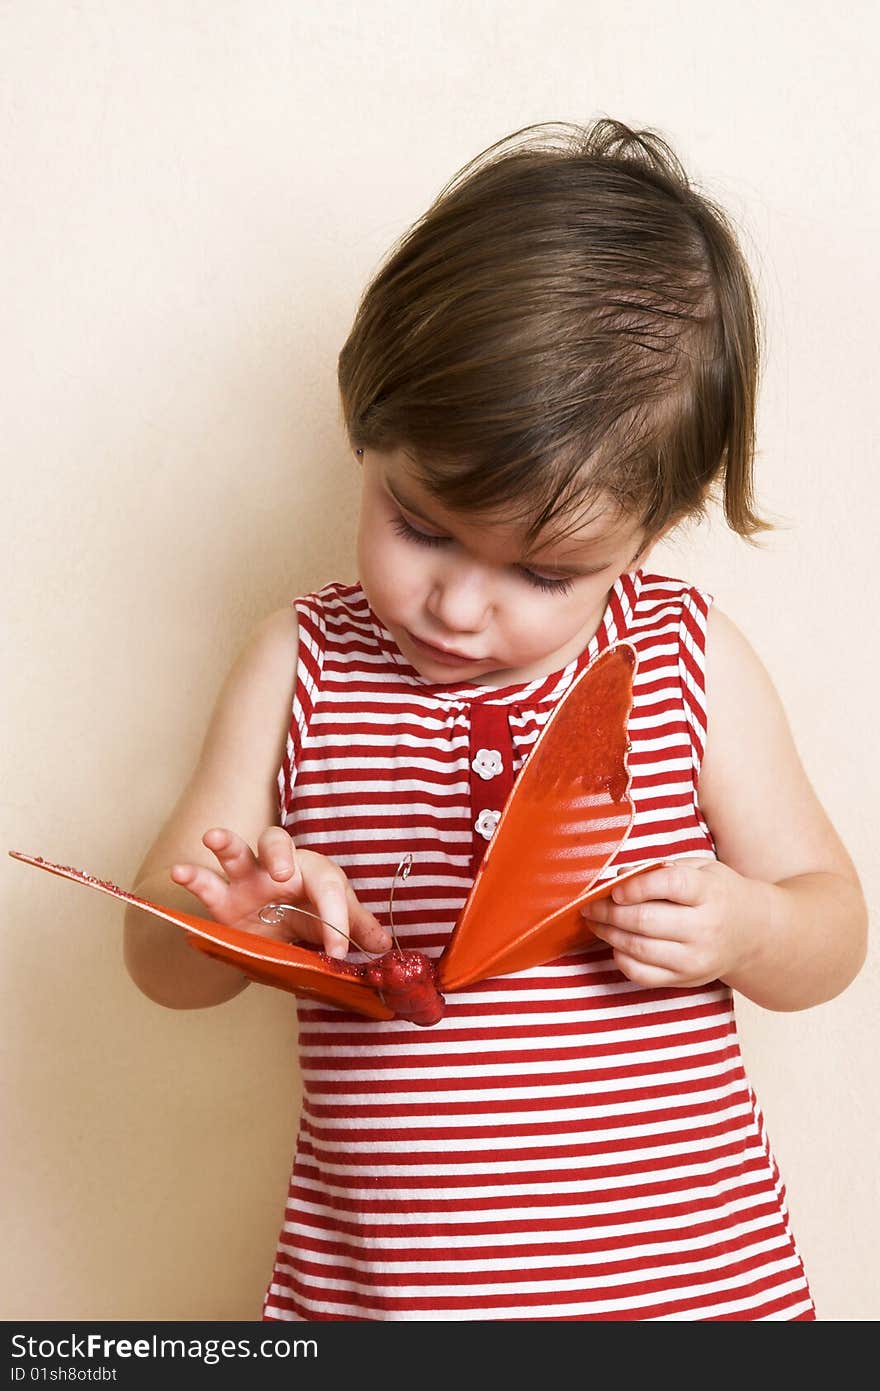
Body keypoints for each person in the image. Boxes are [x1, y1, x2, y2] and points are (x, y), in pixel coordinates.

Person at [123, 117, 867, 1321]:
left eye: (543, 573)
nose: (459, 604)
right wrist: (236, 916)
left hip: (688, 1297)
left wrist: (747, 924)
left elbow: (834, 930)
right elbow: (155, 957)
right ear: (367, 428)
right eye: (419, 525)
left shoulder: (684, 657)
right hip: (387, 1302)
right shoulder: (296, 661)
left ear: (651, 529)